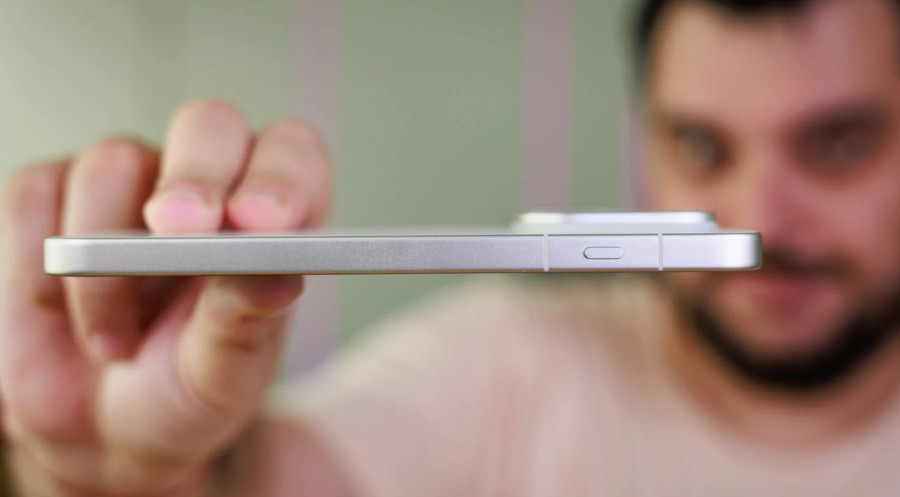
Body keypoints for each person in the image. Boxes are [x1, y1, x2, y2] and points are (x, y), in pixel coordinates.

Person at [3, 0, 900, 494]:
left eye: (839, 145)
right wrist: (132, 473)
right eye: (701, 147)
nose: (760, 219)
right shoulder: (515, 359)